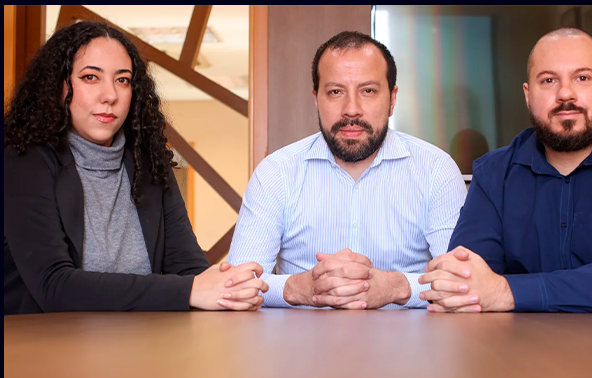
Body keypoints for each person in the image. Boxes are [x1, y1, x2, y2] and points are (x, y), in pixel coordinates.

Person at [4, 21, 268, 314]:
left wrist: (229, 290)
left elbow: (189, 270)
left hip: (143, 339)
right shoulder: (23, 161)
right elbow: (54, 287)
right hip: (42, 340)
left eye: (123, 80)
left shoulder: (148, 163)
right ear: (57, 85)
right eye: (90, 77)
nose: (110, 95)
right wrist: (189, 290)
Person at [420, 28, 592, 314]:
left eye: (582, 78)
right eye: (549, 80)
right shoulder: (494, 174)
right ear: (528, 95)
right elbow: (464, 281)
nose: (565, 93)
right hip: (520, 341)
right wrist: (467, 289)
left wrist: (505, 291)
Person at [227, 31, 467, 309]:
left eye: (368, 91)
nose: (351, 110)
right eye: (335, 92)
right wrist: (300, 288)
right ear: (316, 98)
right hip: (298, 336)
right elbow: (240, 283)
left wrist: (396, 287)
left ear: (392, 99)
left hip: (410, 337)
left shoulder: (436, 170)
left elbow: (459, 279)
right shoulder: (276, 172)